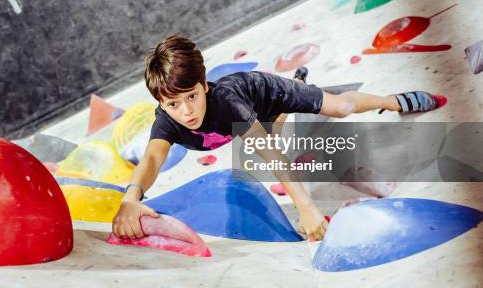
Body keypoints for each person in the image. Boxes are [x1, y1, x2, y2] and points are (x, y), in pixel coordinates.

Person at [111, 34, 441, 241]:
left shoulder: (228, 103)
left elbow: (267, 150)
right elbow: (153, 158)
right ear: (160, 104)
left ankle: (393, 101)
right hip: (257, 121)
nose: (186, 111)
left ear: (205, 85)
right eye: (172, 104)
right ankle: (295, 84)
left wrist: (306, 208)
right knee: (275, 138)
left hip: (266, 94)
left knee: (337, 107)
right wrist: (131, 199)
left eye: (192, 96)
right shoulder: (167, 120)